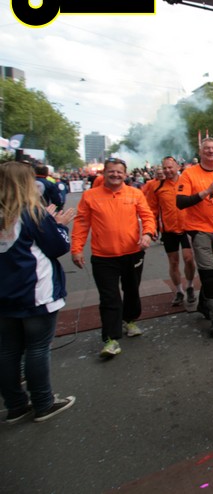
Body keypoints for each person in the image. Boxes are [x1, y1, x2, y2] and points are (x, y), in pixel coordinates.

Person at [0, 162, 76, 423]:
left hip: (4, 295)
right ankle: (43, 403)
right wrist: (60, 225)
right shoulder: (33, 213)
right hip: (35, 292)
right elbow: (58, 246)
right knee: (37, 347)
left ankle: (15, 405)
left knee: (8, 350)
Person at [72, 158, 157, 357]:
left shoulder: (135, 193)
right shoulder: (90, 196)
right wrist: (76, 249)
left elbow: (148, 216)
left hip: (133, 253)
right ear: (104, 173)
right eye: (111, 171)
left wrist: (148, 234)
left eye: (119, 172)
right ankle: (111, 339)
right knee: (109, 297)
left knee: (132, 290)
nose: (115, 175)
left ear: (125, 175)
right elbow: (82, 223)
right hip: (103, 256)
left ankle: (130, 320)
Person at [176, 137, 213, 337]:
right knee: (208, 274)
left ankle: (203, 303)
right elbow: (181, 202)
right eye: (207, 148)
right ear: (200, 152)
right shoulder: (189, 174)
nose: (211, 151)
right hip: (199, 229)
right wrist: (208, 190)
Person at [147, 157, 197, 309]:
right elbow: (151, 210)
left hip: (187, 228)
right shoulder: (156, 186)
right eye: (165, 168)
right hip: (168, 230)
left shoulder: (187, 181)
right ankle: (179, 291)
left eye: (170, 167)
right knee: (173, 262)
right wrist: (152, 228)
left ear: (177, 167)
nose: (168, 170)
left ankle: (190, 286)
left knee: (189, 259)